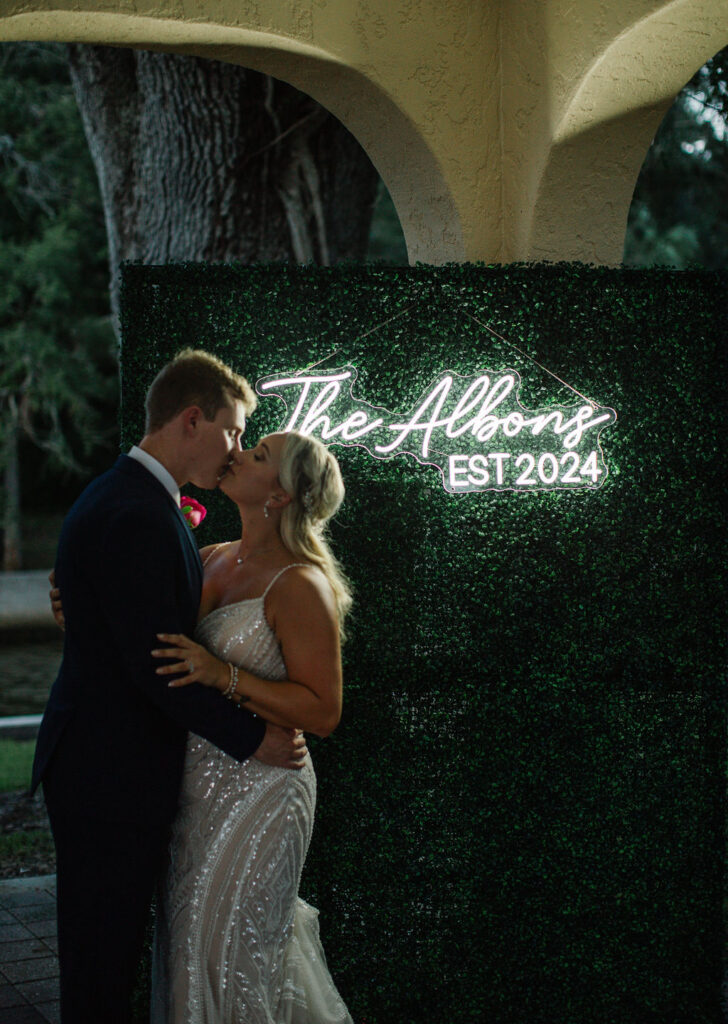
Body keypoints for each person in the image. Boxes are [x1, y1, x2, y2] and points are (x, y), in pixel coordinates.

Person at [32, 350, 306, 1024]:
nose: (237, 449)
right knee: (101, 966)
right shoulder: (137, 514)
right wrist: (254, 739)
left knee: (105, 958)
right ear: (192, 420)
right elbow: (160, 669)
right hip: (108, 777)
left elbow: (130, 623)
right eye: (235, 432)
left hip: (108, 770)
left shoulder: (132, 499)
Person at [149, 430, 354, 1023]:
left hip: (263, 789)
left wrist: (223, 675)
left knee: (237, 952)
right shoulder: (209, 555)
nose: (239, 454)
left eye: (259, 455)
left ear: (282, 496)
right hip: (194, 788)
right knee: (189, 948)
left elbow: (322, 711)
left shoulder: (300, 583)